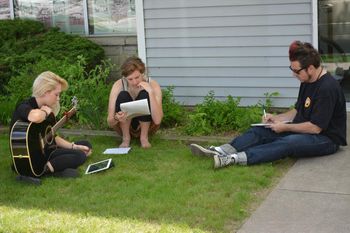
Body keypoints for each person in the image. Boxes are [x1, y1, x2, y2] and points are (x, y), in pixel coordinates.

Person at [190, 40, 347, 169]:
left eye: (297, 71)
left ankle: (234, 159)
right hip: (306, 131)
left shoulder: (327, 88)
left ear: (311, 68)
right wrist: (277, 118)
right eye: (292, 69)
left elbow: (315, 127)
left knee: (288, 143)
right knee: (260, 130)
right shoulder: (307, 80)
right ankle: (221, 150)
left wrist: (285, 127)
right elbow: (297, 110)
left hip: (326, 139)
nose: (294, 74)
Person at [10, 71, 92, 178]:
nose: (58, 98)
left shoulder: (49, 111)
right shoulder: (24, 106)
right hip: (32, 158)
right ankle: (46, 169)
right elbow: (35, 117)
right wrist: (44, 112)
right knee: (80, 155)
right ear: (45, 92)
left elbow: (52, 137)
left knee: (85, 145)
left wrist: (74, 146)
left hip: (48, 150)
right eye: (56, 94)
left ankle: (56, 165)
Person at [107, 56, 163, 148]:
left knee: (144, 94)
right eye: (130, 79)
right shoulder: (118, 85)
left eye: (137, 77)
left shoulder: (153, 84)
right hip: (125, 125)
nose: (134, 82)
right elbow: (110, 122)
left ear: (142, 73)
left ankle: (144, 138)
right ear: (125, 77)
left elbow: (157, 121)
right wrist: (117, 118)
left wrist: (150, 92)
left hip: (147, 126)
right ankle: (126, 138)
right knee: (123, 95)